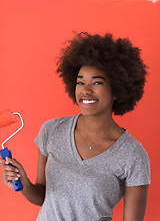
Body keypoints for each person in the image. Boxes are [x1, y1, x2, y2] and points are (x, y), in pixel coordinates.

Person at [0, 32, 150, 221]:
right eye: (80, 82)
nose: (86, 90)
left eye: (97, 82)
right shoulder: (52, 130)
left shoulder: (133, 155)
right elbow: (44, 196)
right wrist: (24, 183)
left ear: (117, 90)